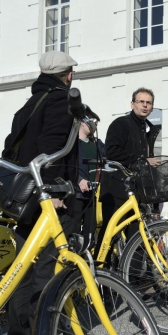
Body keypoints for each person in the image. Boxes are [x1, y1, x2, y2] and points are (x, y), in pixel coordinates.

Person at [5, 50, 79, 335]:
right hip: (46, 197)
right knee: (46, 270)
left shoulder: (29, 104)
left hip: (23, 196)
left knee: (22, 267)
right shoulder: (60, 100)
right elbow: (52, 149)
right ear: (68, 74)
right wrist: (54, 192)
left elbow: (12, 147)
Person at [97, 87, 161, 255]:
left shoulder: (148, 129)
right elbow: (111, 151)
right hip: (116, 189)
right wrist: (141, 160)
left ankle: (134, 279)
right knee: (109, 236)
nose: (145, 106)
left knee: (136, 238)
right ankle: (98, 275)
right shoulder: (122, 123)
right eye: (141, 102)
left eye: (149, 103)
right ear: (132, 104)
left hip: (136, 191)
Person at [75, 107, 105, 251]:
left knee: (90, 228)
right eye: (93, 121)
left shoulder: (97, 144)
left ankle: (85, 257)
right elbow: (68, 166)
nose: (95, 125)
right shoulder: (73, 143)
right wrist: (79, 179)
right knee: (73, 228)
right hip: (76, 193)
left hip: (92, 193)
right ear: (83, 121)